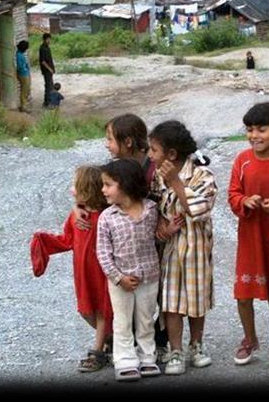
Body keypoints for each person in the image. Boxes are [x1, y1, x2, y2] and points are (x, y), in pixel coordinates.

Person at [73, 113, 171, 363]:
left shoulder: (153, 169)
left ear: (127, 142)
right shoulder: (113, 169)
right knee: (124, 298)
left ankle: (157, 345)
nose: (106, 144)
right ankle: (123, 347)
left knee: (153, 297)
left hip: (156, 244)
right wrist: (78, 206)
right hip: (123, 249)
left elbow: (163, 202)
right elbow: (95, 193)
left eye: (110, 139)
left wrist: (163, 222)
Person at [148, 120, 218, 375]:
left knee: (196, 300)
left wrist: (176, 181)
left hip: (196, 248)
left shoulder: (203, 176)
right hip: (171, 248)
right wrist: (161, 228)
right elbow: (154, 209)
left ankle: (196, 345)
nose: (150, 155)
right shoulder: (157, 178)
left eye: (154, 150)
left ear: (172, 155)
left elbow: (198, 209)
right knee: (172, 301)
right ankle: (175, 350)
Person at [227, 102, 269, 368]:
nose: (254, 135)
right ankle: (250, 338)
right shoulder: (242, 160)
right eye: (250, 130)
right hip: (249, 238)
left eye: (261, 130)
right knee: (243, 294)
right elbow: (232, 194)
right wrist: (245, 201)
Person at [29, 165, 113, 373]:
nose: (71, 189)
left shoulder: (106, 216)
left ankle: (98, 351)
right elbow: (66, 240)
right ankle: (115, 339)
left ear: (87, 188)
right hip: (83, 274)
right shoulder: (76, 216)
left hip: (102, 273)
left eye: (75, 185)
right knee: (86, 311)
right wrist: (42, 240)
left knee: (102, 310)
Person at [97, 159, 161, 382]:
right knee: (122, 320)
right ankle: (124, 360)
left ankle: (147, 357)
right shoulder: (107, 217)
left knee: (146, 318)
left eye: (108, 184)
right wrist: (118, 277)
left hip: (149, 276)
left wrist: (170, 228)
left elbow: (159, 236)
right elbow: (103, 253)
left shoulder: (152, 209)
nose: (103, 190)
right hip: (121, 280)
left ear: (124, 185)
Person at [39, 33, 55, 108]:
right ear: (45, 39)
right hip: (46, 71)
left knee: (49, 86)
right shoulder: (43, 48)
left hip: (49, 70)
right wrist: (50, 69)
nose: (49, 40)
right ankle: (47, 103)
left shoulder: (47, 47)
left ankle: (47, 103)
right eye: (49, 39)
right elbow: (43, 61)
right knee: (49, 86)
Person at [16, 40, 31, 113]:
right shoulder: (19, 55)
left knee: (26, 90)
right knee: (24, 91)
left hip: (24, 73)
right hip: (23, 74)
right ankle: (23, 107)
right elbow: (19, 66)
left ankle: (23, 105)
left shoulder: (20, 54)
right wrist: (24, 67)